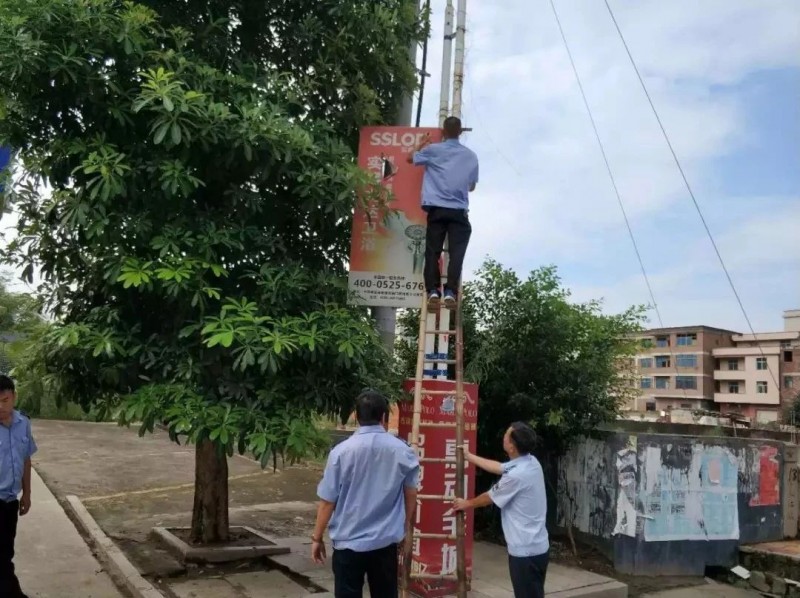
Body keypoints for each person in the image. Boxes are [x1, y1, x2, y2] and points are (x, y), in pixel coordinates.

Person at [311, 390, 419, 598]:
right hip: (385, 543)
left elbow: (327, 501)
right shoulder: (403, 451)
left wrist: (317, 538)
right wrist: (404, 529)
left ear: (355, 415)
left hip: (348, 544)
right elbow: (411, 494)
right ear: (384, 417)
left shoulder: (340, 452)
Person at [453, 422, 548, 598]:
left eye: (506, 434)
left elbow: (490, 497)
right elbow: (498, 467)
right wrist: (469, 456)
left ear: (512, 447)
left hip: (525, 552)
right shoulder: (530, 461)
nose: (503, 436)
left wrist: (467, 503)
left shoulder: (516, 476)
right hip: (537, 547)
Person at [407, 115, 479, 309]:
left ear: (444, 132)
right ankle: (450, 292)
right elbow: (471, 186)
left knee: (433, 251)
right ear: (461, 132)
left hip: (437, 210)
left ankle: (432, 290)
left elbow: (409, 158)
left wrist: (421, 144)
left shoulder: (433, 150)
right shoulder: (471, 156)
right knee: (457, 254)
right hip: (458, 212)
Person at [0, 375, 36, 598]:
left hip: (10, 502)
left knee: (5, 553)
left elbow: (26, 459)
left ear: (13, 397)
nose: (0, 406)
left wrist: (27, 494)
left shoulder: (23, 423)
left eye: (4, 400)